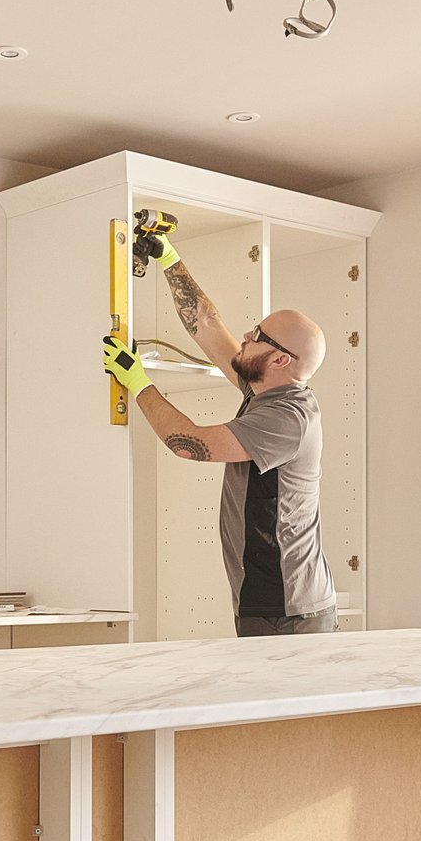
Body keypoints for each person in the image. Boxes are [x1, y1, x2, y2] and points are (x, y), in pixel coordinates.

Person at [100, 235, 339, 637]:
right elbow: (209, 326)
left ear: (280, 359)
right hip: (269, 601)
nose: (246, 336)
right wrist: (168, 257)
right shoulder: (264, 390)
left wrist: (137, 380)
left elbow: (188, 443)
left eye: (258, 336)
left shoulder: (287, 417)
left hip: (288, 609)